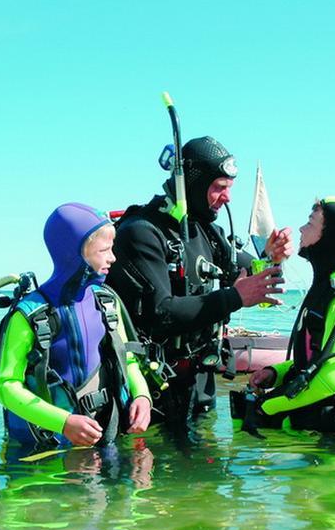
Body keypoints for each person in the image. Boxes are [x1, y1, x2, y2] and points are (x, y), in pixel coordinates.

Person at [106, 136, 293, 423]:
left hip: (199, 387)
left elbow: (253, 277)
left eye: (229, 188)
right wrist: (235, 297)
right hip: (151, 391)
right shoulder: (141, 232)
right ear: (192, 183)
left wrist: (271, 258)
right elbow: (161, 313)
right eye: (219, 188)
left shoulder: (207, 232)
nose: (228, 198)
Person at [0, 203, 152, 448]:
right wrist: (63, 422)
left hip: (104, 436)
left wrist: (142, 395)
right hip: (45, 448)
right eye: (104, 250)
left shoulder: (107, 303)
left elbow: (127, 359)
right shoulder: (28, 316)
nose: (113, 257)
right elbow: (6, 387)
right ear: (75, 254)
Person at [246, 197, 335, 437]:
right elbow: (315, 360)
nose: (300, 229)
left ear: (332, 236)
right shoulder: (326, 288)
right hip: (317, 436)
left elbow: (332, 378)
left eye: (310, 223)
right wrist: (275, 373)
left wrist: (267, 407)